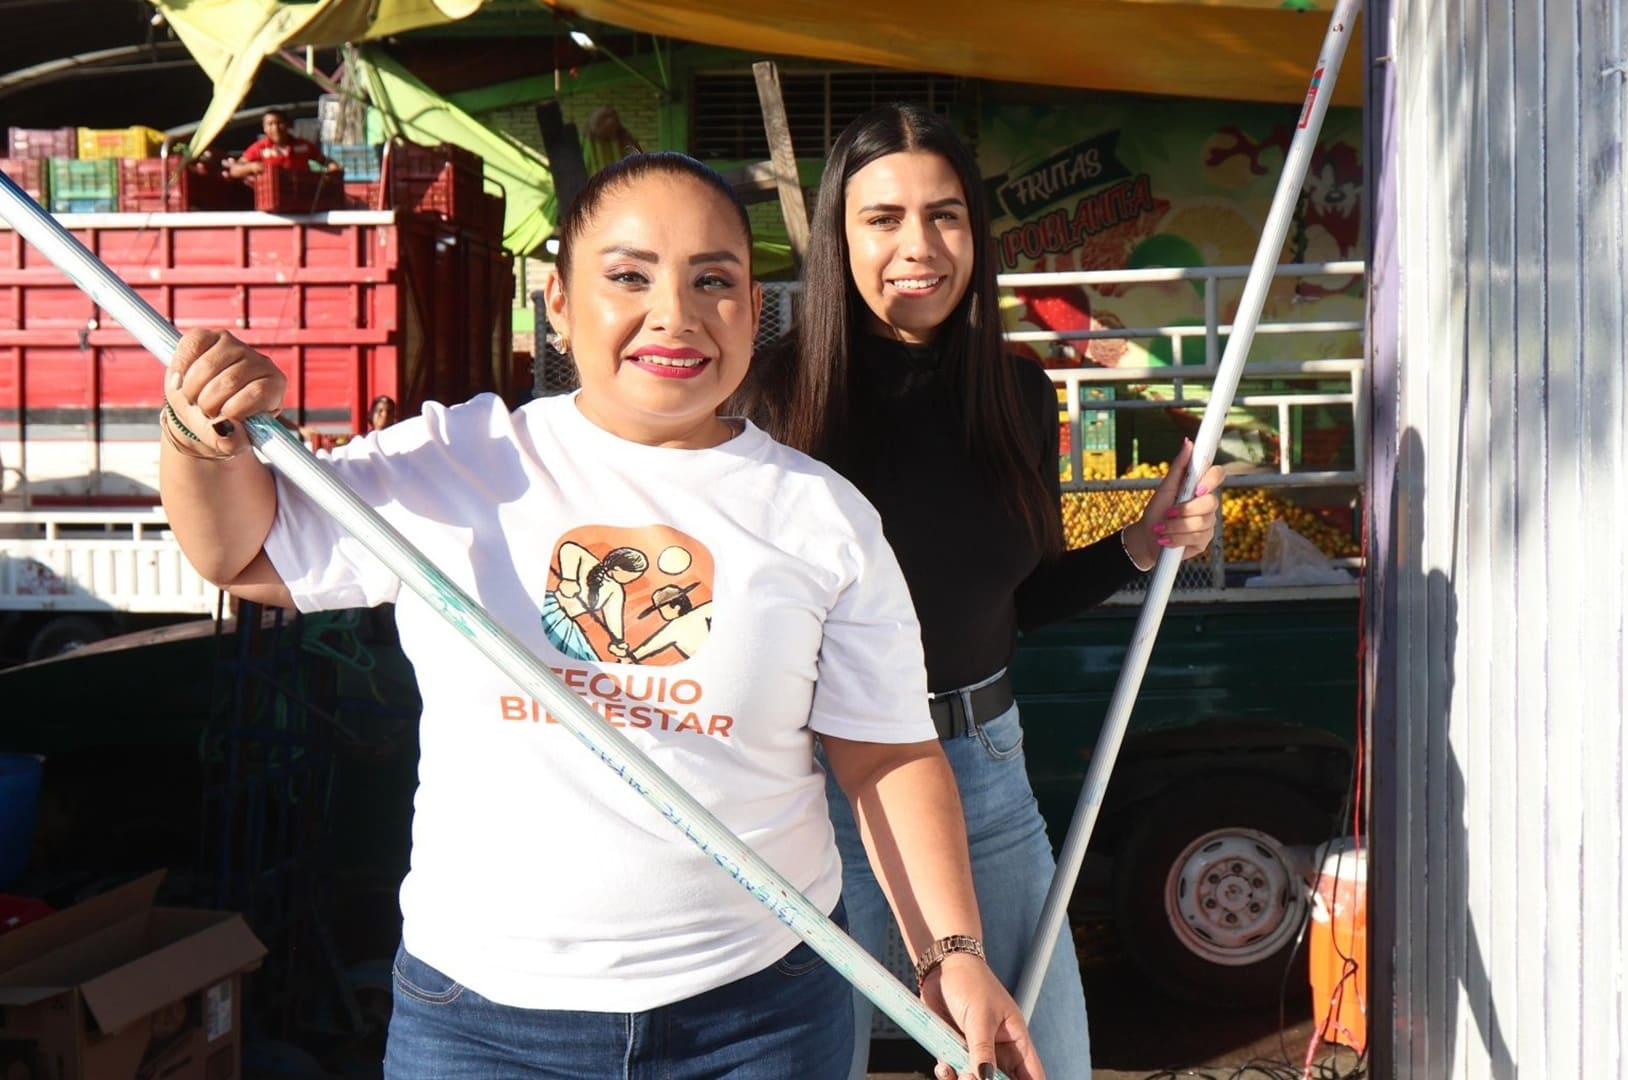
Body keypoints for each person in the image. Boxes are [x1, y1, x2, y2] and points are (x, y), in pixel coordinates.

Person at [157, 150, 1043, 1080]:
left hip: (763, 1014)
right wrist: (197, 436)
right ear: (557, 301)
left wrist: (951, 954)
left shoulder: (822, 516)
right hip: (484, 1023)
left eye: (715, 281)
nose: (676, 314)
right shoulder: (460, 464)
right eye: (628, 276)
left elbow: (887, 751)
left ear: (755, 305)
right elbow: (245, 555)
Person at [732, 105, 1226, 1080]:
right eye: (882, 219)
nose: (918, 247)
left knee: (1044, 1062)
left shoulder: (1016, 393)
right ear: (839, 234)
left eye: (945, 215)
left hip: (983, 772)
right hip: (816, 790)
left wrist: (1141, 542)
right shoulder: (770, 398)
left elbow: (1015, 599)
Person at [223, 109, 340, 179]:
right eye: (270, 124)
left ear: (288, 125)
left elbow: (326, 162)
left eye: (279, 123)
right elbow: (234, 170)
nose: (276, 128)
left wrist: (332, 169)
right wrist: (251, 167)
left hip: (302, 196)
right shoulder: (258, 148)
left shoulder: (304, 145)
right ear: (264, 128)